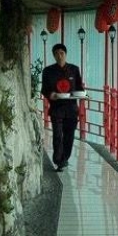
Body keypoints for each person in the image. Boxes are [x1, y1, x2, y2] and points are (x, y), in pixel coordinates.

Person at [41, 43, 84, 171]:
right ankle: (58, 160)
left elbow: (79, 88)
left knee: (69, 136)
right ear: (53, 55)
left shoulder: (74, 70)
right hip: (56, 108)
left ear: (65, 54)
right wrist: (51, 94)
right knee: (58, 135)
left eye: (62, 53)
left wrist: (84, 95)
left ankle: (64, 158)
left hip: (71, 109)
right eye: (56, 54)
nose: (59, 56)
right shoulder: (48, 71)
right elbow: (44, 89)